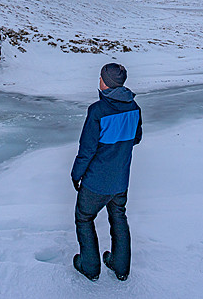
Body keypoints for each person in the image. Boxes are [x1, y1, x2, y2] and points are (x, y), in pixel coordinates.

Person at [71, 62, 142, 281]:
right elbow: (136, 138)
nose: (99, 81)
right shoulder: (134, 108)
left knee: (84, 218)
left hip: (96, 182)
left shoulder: (97, 111)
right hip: (120, 180)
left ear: (107, 83)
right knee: (118, 217)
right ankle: (120, 267)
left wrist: (76, 174)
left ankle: (90, 267)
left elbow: (87, 149)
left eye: (101, 78)